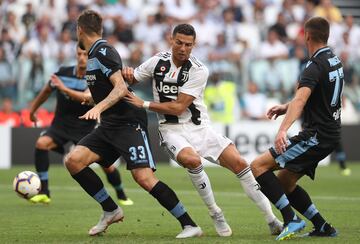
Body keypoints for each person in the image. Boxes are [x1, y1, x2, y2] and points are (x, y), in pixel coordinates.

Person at [122, 23, 283, 237]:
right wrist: (126, 72)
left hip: (201, 129)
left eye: (188, 45)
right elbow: (133, 77)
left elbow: (179, 107)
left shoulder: (198, 70)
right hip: (171, 130)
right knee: (192, 160)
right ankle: (215, 212)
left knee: (240, 164)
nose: (183, 48)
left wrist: (143, 104)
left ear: (193, 45)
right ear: (172, 40)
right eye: (179, 42)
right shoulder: (157, 61)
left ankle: (272, 220)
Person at [64, 10, 201, 238]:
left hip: (128, 122)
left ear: (79, 29)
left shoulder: (103, 51)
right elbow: (105, 88)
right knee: (74, 161)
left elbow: (120, 88)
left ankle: (189, 224)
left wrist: (97, 108)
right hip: (109, 125)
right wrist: (90, 98)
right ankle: (110, 209)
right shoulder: (93, 54)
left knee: (144, 178)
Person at [250, 17, 340, 240]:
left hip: (316, 135)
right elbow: (314, 97)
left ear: (307, 36)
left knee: (258, 166)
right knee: (284, 182)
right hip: (330, 132)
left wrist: (282, 130)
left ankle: (291, 220)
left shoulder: (313, 66)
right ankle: (322, 226)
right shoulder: (333, 59)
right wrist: (286, 106)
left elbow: (301, 100)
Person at [29, 45, 133, 206]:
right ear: (76, 55)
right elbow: (46, 91)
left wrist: (63, 88)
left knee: (107, 166)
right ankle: (44, 191)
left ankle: (121, 193)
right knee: (41, 143)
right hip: (61, 125)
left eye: (86, 54)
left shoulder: (94, 77)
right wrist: (33, 110)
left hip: (86, 127)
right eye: (79, 54)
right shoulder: (63, 73)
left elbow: (84, 98)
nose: (82, 57)